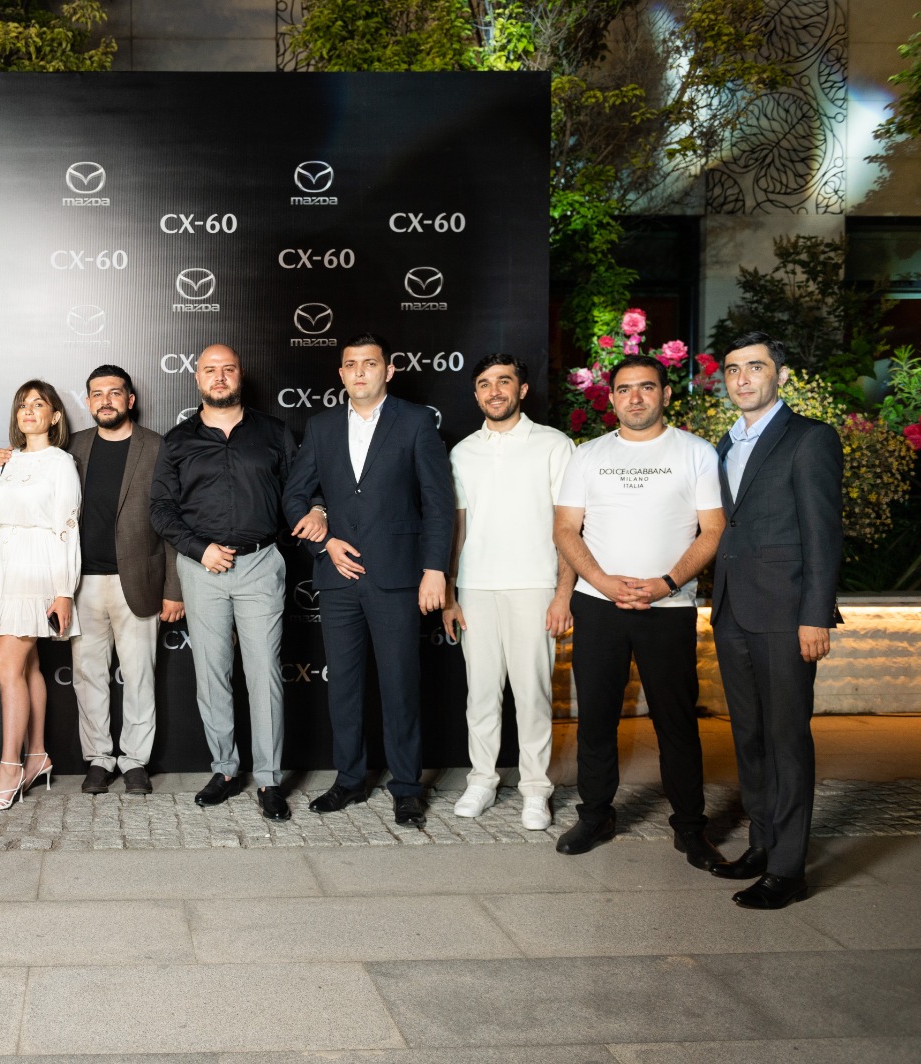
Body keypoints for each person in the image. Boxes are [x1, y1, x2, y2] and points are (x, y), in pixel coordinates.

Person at [552, 354, 725, 868]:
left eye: (647, 387)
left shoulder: (696, 453)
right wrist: (602, 582)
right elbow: (565, 528)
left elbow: (713, 529)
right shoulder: (587, 455)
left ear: (665, 394)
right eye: (624, 389)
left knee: (676, 721)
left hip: (668, 606)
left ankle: (690, 827)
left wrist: (666, 583)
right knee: (596, 718)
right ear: (610, 398)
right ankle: (595, 815)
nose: (635, 397)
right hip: (599, 606)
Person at [282, 334, 454, 826]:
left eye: (370, 363)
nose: (359, 372)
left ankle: (406, 787)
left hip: (398, 577)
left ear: (388, 370)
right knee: (344, 687)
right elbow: (295, 497)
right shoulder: (321, 426)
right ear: (341, 374)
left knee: (400, 685)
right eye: (351, 365)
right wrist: (324, 544)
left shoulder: (416, 421)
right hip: (337, 578)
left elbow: (438, 503)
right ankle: (350, 779)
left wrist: (435, 570)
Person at [0, 366, 184, 795]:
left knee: (139, 676)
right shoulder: (72, 447)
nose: (106, 401)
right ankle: (99, 758)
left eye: (114, 393)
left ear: (130, 400)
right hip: (80, 583)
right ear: (87, 402)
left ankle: (135, 761)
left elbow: (171, 519)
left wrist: (174, 588)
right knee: (88, 676)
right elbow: (30, 483)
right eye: (97, 394)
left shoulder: (156, 446)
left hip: (139, 580)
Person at [709, 331, 843, 909]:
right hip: (732, 609)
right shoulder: (724, 443)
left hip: (786, 615)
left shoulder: (810, 438)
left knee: (786, 739)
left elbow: (823, 533)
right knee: (750, 736)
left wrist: (815, 615)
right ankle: (762, 845)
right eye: (733, 369)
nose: (742, 379)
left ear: (781, 376)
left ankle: (788, 870)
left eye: (755, 367)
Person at [152, 343, 300, 821]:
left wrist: (315, 510)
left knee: (264, 673)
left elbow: (298, 493)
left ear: (240, 376)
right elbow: (161, 509)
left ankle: (269, 779)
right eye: (210, 370)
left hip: (261, 563)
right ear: (197, 378)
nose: (219, 377)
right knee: (212, 673)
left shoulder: (274, 432)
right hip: (202, 569)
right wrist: (200, 550)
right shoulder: (177, 441)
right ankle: (225, 770)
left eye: (228, 369)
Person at [442, 353, 575, 830]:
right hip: (476, 587)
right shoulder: (462, 452)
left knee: (533, 694)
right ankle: (482, 780)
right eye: (484, 383)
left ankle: (536, 789)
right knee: (480, 694)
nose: (494, 391)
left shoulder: (555, 445)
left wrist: (563, 593)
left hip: (535, 585)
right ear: (476, 394)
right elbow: (457, 528)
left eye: (503, 381)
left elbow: (569, 525)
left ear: (522, 389)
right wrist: (451, 593)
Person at [0, 380, 82, 812]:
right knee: (28, 664)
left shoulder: (62, 463)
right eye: (23, 404)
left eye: (39, 404)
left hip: (39, 567)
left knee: (5, 663)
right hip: (4, 566)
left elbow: (67, 528)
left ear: (54, 416)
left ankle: (9, 768)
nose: (29, 410)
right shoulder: (6, 461)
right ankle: (37, 756)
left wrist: (64, 590)